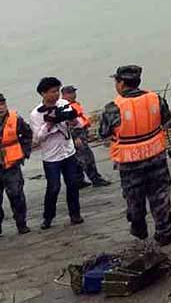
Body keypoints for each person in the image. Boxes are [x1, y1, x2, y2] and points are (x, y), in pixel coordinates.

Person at [98, 65, 171, 245]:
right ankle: (164, 233)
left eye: (116, 81)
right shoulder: (156, 99)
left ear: (122, 83)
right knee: (161, 197)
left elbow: (103, 133)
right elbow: (168, 123)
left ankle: (139, 230)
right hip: (156, 158)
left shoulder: (112, 108)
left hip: (129, 164)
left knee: (134, 200)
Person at [29, 77, 83, 229]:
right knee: (54, 187)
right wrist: (50, 122)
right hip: (51, 156)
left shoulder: (64, 104)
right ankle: (48, 218)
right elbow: (38, 138)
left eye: (57, 91)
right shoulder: (36, 114)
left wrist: (72, 119)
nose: (56, 94)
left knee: (73, 184)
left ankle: (75, 214)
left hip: (68, 151)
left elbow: (77, 124)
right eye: (52, 92)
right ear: (43, 93)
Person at [61, 85, 110, 188]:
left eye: (73, 92)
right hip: (76, 134)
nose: (73, 95)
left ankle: (79, 181)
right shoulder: (64, 107)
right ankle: (95, 179)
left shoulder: (72, 105)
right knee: (86, 157)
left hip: (80, 132)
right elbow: (66, 124)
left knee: (76, 158)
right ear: (64, 95)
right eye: (70, 93)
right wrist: (74, 137)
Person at [0, 93, 32, 235]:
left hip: (12, 165)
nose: (0, 107)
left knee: (16, 195)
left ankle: (21, 224)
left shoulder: (16, 119)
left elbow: (27, 135)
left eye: (2, 104)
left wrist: (24, 153)